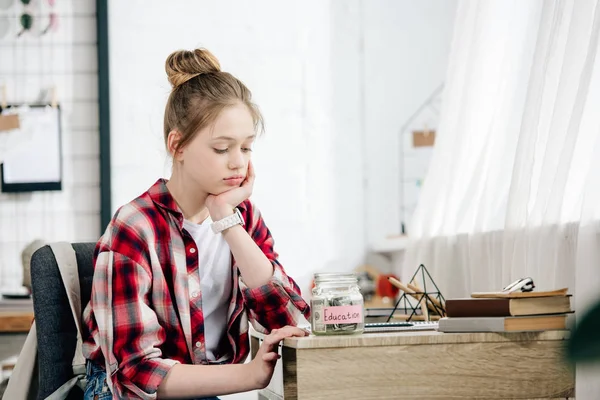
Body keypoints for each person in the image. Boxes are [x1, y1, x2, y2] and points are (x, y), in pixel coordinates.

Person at [82, 47, 311, 400]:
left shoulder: (242, 216)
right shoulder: (134, 228)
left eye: (246, 148)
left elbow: (290, 321)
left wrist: (227, 221)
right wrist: (249, 375)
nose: (237, 163)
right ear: (178, 146)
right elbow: (136, 372)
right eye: (222, 149)